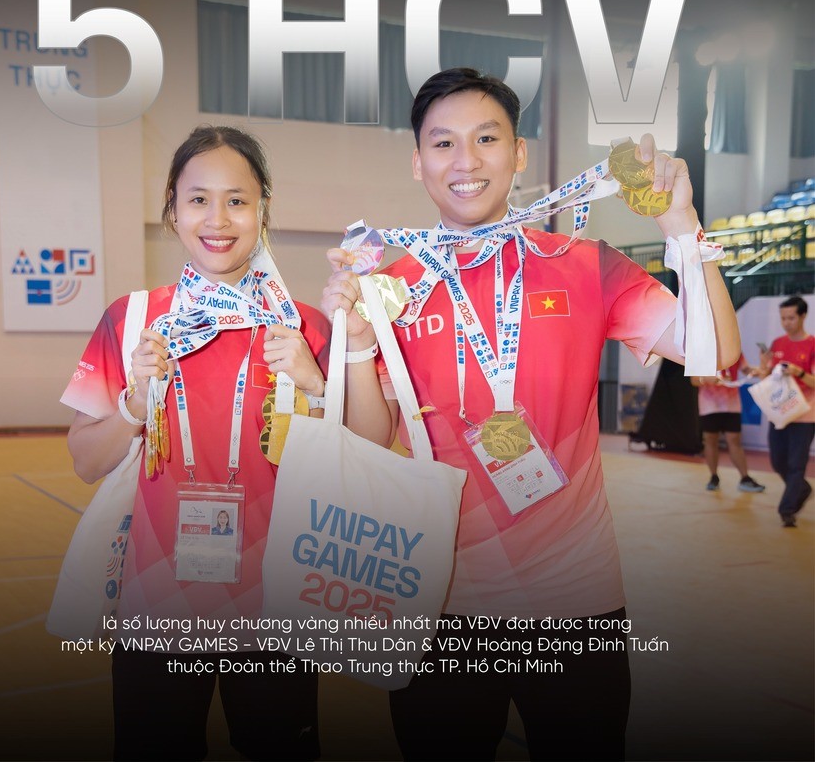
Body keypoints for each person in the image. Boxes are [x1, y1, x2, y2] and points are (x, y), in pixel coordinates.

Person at [321, 68, 740, 761]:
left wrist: (682, 228)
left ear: (518, 153)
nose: (466, 161)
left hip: (576, 599)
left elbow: (716, 353)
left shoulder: (586, 264)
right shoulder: (391, 286)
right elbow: (370, 438)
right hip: (439, 604)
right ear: (418, 161)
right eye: (443, 143)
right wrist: (360, 346)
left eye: (487, 139)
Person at [61, 125, 329, 761]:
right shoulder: (131, 320)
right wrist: (133, 404)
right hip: (158, 608)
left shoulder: (305, 328)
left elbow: (356, 457)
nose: (218, 219)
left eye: (237, 200)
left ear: (263, 207)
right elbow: (86, 461)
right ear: (172, 209)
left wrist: (316, 387)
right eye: (199, 199)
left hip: (276, 608)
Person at [758, 295, 814, 527]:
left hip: (805, 414)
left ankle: (787, 510)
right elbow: (767, 377)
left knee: (796, 464)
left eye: (791, 318)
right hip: (779, 413)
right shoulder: (777, 343)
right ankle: (803, 489)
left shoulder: (812, 344)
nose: (786, 322)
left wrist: (798, 372)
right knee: (777, 461)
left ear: (803, 316)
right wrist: (762, 366)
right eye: (783, 318)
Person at [691, 355, 766, 492]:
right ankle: (714, 476)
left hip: (732, 403)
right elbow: (694, 380)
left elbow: (746, 369)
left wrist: (758, 370)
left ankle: (745, 478)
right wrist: (706, 379)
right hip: (709, 404)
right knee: (710, 439)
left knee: (734, 439)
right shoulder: (702, 350)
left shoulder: (735, 350)